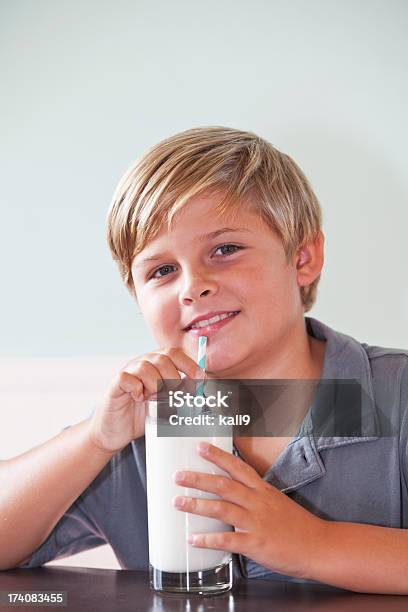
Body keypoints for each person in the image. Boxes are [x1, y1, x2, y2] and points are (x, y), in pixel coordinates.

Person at [1, 126, 407, 595]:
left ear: (302, 258)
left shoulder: (390, 394)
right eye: (162, 270)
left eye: (226, 249)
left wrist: (316, 544)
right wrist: (96, 440)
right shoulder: (144, 423)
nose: (192, 286)